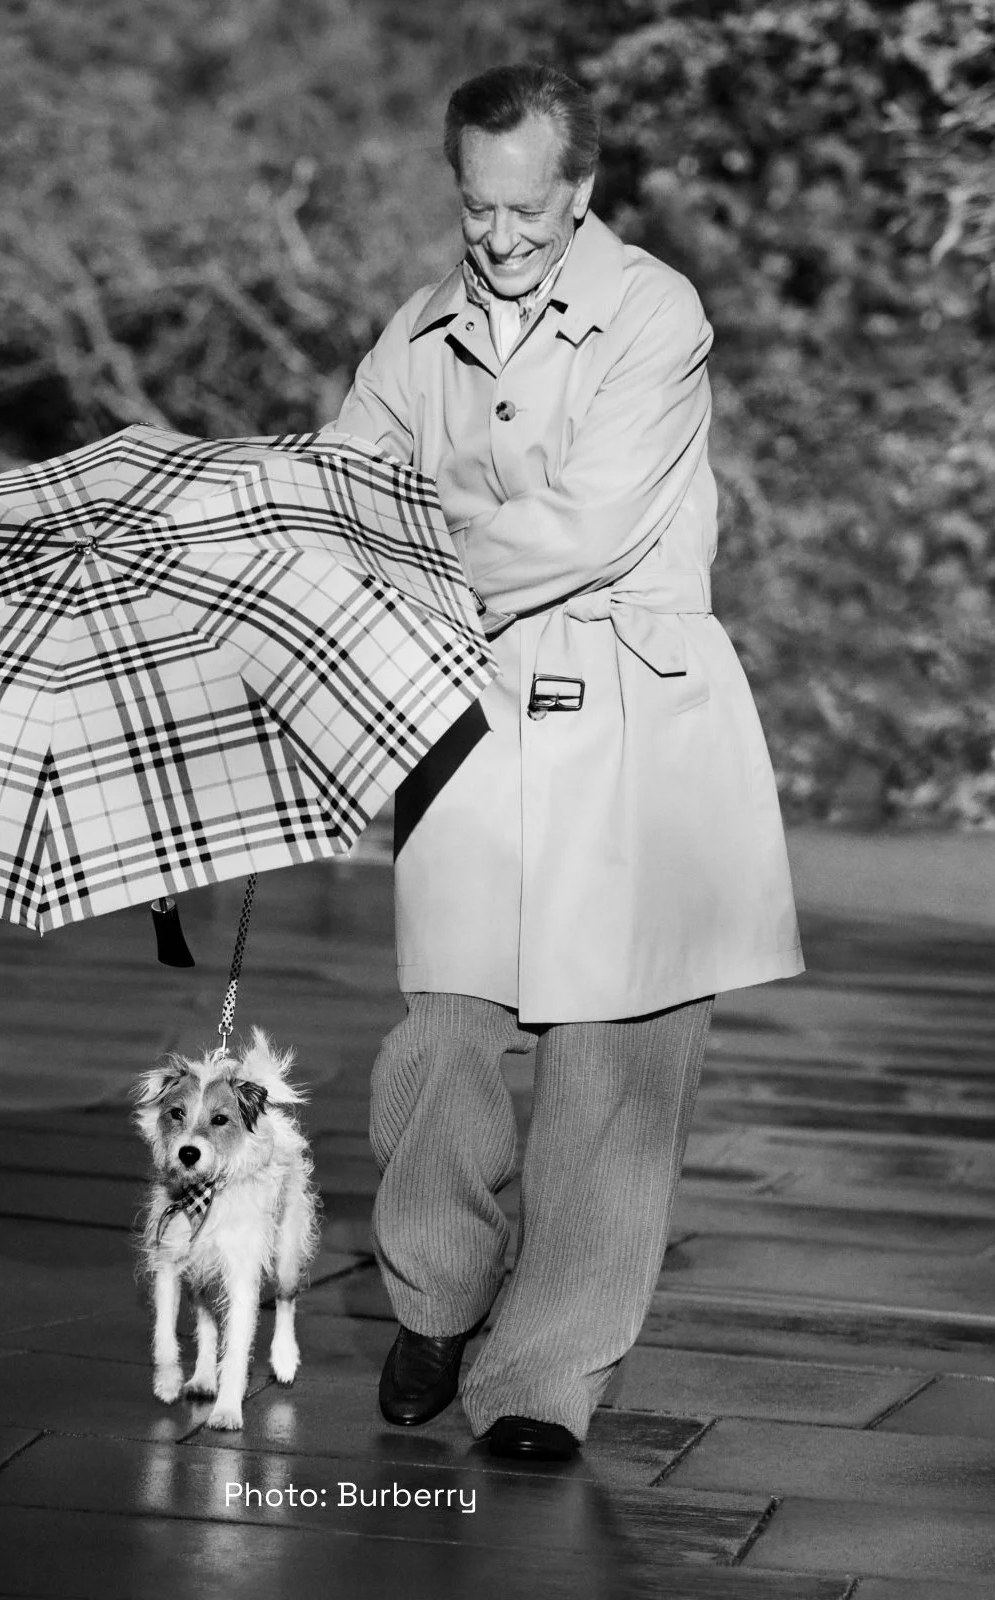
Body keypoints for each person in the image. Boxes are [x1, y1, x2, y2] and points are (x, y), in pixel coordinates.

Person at [331, 63, 803, 1461]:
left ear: (581, 190)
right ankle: (437, 1288)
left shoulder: (655, 312)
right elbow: (350, 489)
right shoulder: (412, 335)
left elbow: (588, 526)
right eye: (478, 209)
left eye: (528, 208)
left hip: (633, 732)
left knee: (613, 1075)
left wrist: (418, 552)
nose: (501, 236)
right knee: (442, 1039)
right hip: (469, 723)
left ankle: (541, 1382)